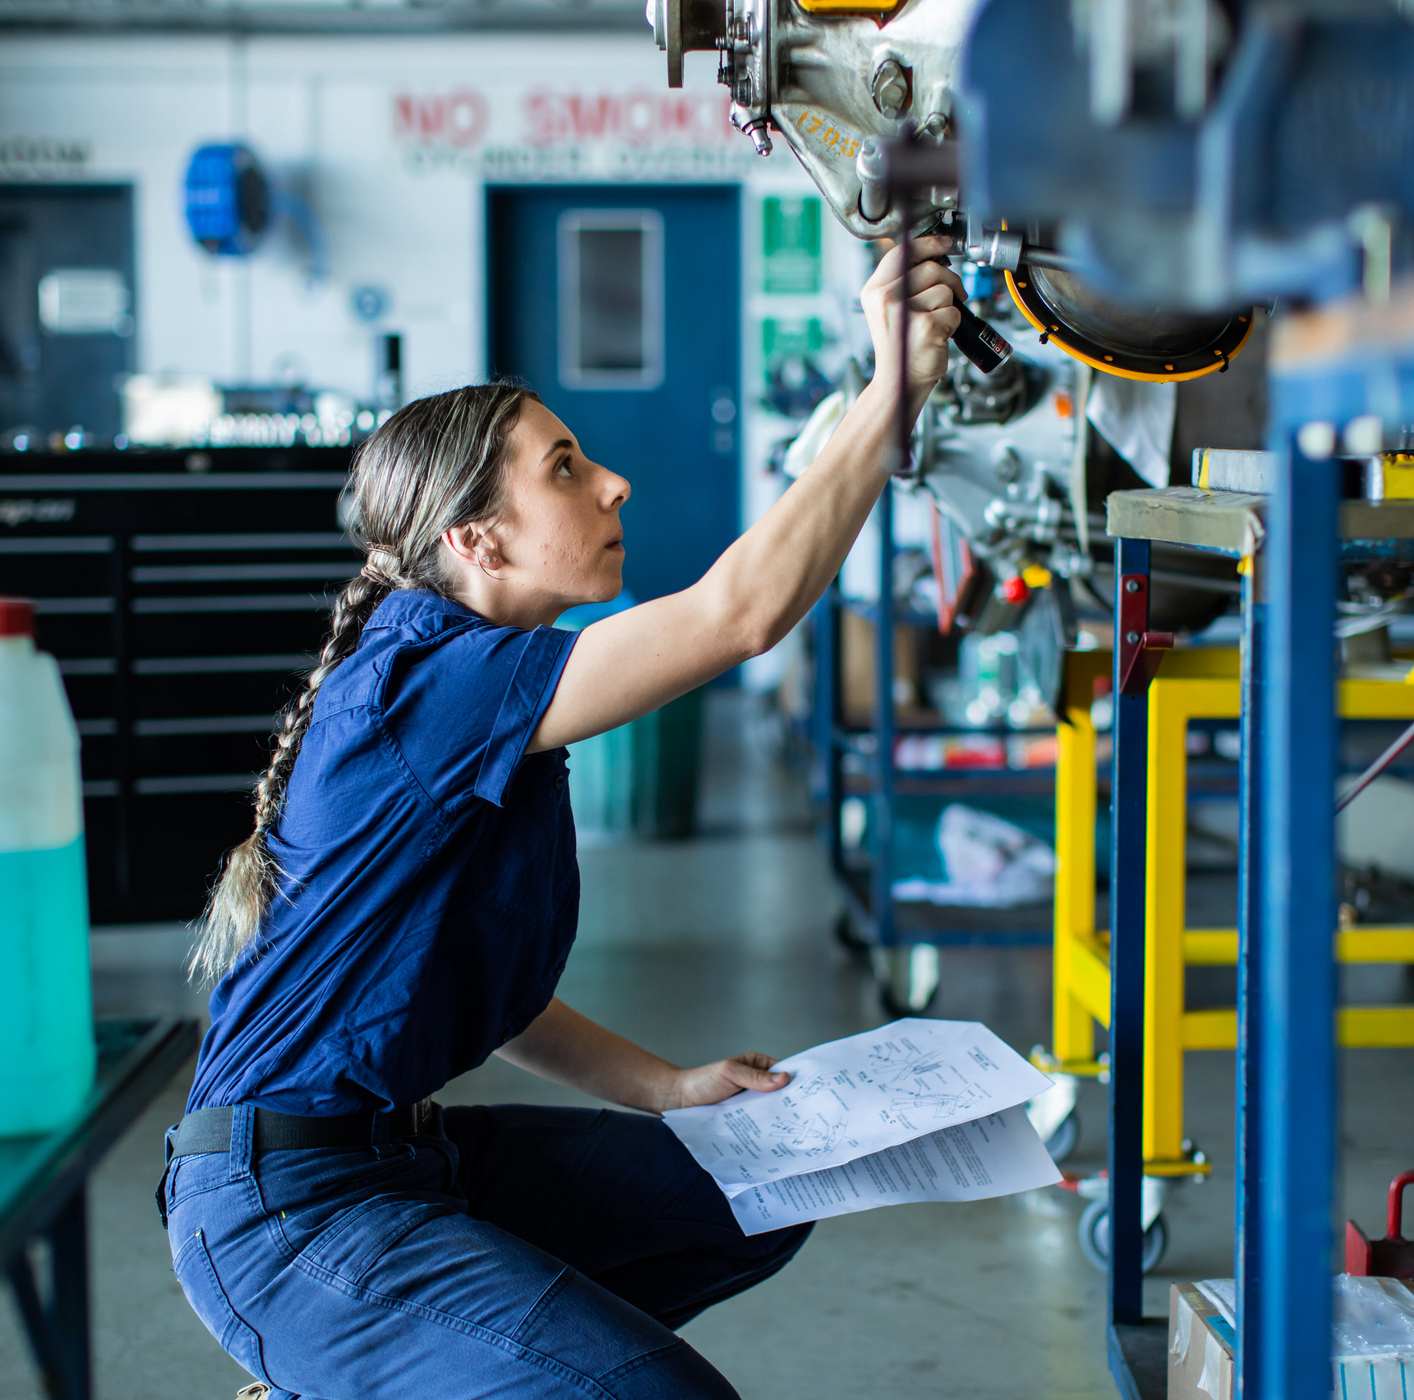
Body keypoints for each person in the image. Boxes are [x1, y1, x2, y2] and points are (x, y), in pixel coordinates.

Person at [155, 237, 963, 1400]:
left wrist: (667, 1087)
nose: (613, 482)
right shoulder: (431, 678)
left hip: (403, 1159)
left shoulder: (482, 683)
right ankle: (376, 1359)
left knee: (758, 1191)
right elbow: (739, 614)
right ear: (474, 543)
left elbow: (488, 984)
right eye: (567, 468)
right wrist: (890, 392)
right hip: (284, 1212)